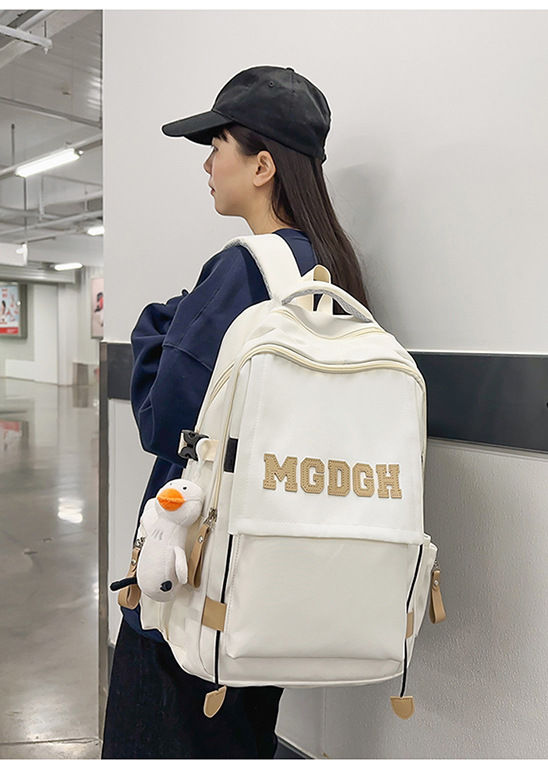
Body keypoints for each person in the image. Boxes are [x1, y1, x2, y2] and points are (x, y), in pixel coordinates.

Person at [102, 65, 369, 759]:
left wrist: (157, 324)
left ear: (262, 165)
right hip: (271, 581)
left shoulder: (242, 270)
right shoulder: (334, 271)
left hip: (193, 577)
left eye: (217, 145)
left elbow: (165, 421)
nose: (207, 164)